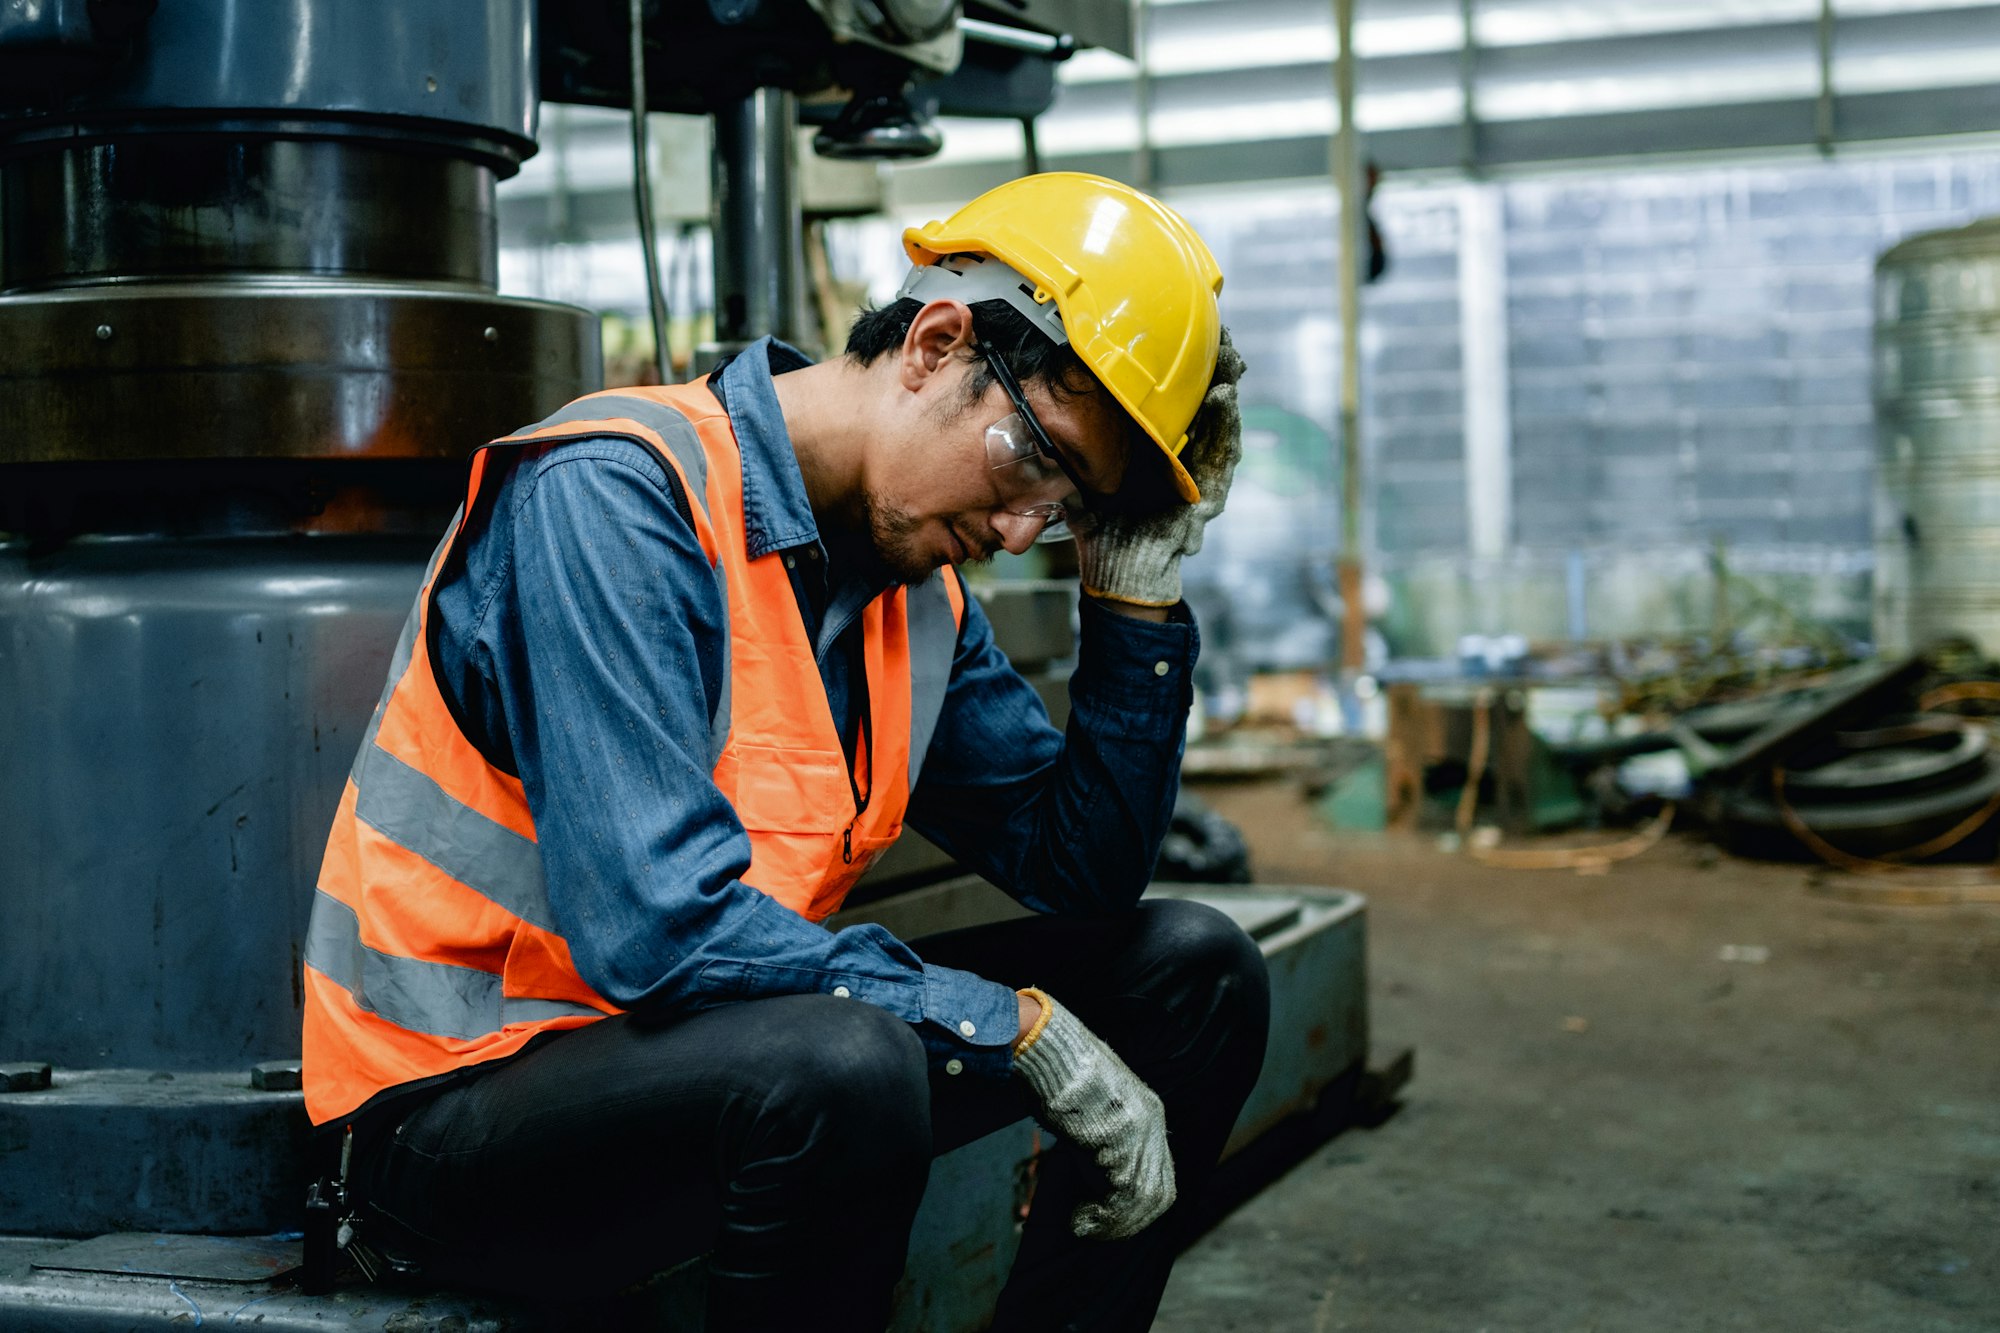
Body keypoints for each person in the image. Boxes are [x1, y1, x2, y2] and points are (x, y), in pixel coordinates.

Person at [299, 171, 1269, 1332]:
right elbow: (658, 930)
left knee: (1193, 966)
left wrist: (1133, 595)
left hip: (705, 1067)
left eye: (1066, 507)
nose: (1020, 532)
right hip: (454, 1110)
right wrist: (1010, 1023)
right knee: (845, 1061)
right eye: (1030, 459)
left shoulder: (914, 596)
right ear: (935, 340)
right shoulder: (616, 495)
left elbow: (1079, 873)